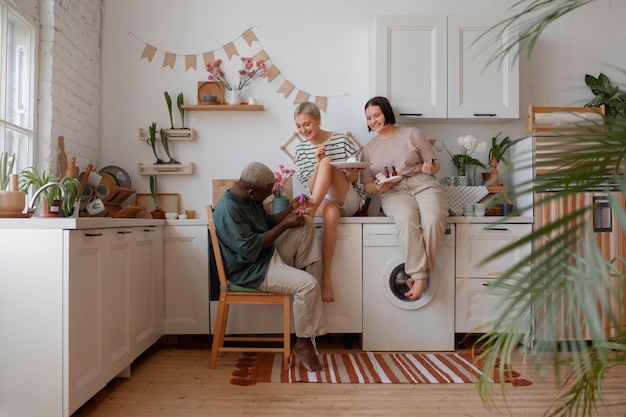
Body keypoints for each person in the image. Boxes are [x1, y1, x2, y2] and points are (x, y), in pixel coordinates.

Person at [212, 161, 326, 371]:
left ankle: (299, 279)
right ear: (251, 190)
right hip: (252, 270)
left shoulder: (249, 198)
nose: (268, 196)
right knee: (309, 286)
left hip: (266, 255)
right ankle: (302, 342)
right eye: (266, 193)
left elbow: (267, 223)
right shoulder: (227, 210)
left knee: (306, 222)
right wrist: (285, 225)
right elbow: (250, 249)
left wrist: (292, 208)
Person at [360, 96, 448, 301]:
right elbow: (369, 188)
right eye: (369, 118)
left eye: (377, 115)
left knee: (433, 220)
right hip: (394, 192)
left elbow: (434, 164)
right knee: (407, 221)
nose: (373, 121)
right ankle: (419, 277)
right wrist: (380, 186)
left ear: (387, 113)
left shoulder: (412, 134)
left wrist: (430, 167)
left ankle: (419, 275)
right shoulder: (368, 149)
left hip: (424, 184)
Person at [293, 102, 367, 302]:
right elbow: (310, 186)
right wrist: (318, 165)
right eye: (298, 126)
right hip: (322, 201)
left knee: (327, 162)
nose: (303, 130)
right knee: (331, 213)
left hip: (348, 197)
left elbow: (354, 180)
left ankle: (309, 211)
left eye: (306, 124)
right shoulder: (300, 150)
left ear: (318, 119)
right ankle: (326, 276)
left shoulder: (342, 140)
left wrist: (350, 174)